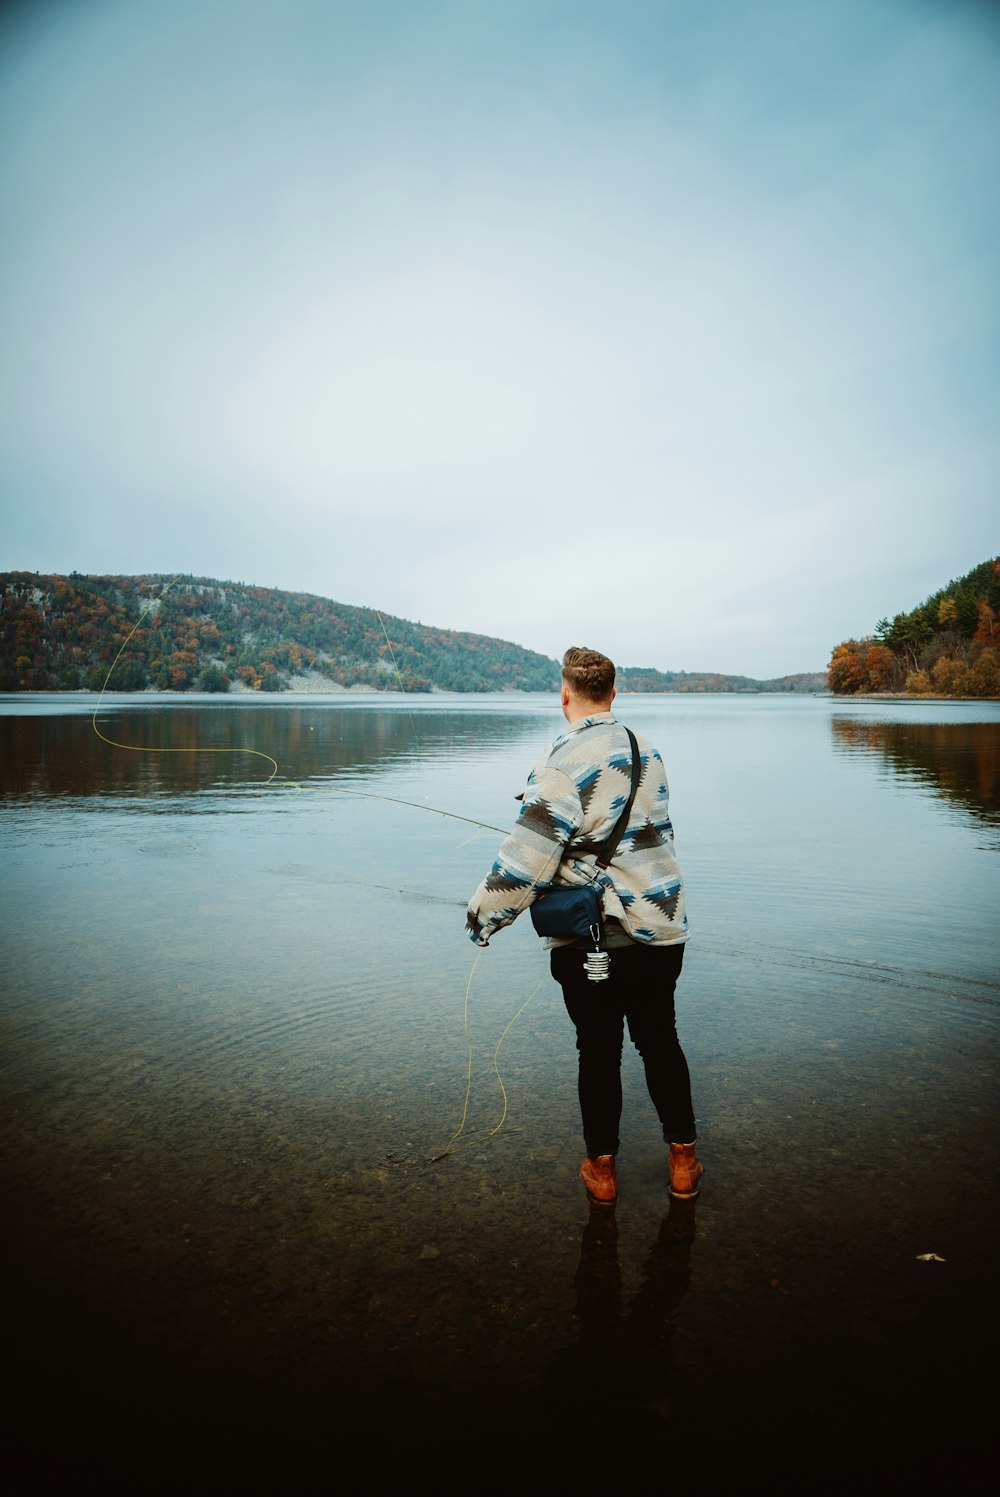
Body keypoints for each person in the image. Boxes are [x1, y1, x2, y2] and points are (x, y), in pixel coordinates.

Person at [466, 646, 702, 1207]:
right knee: (661, 1042)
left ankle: (602, 1173)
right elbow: (655, 835)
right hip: (662, 925)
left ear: (565, 694)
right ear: (614, 693)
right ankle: (684, 1163)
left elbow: (527, 856)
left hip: (595, 936)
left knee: (598, 1052)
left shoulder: (561, 763)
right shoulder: (650, 753)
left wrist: (484, 916)